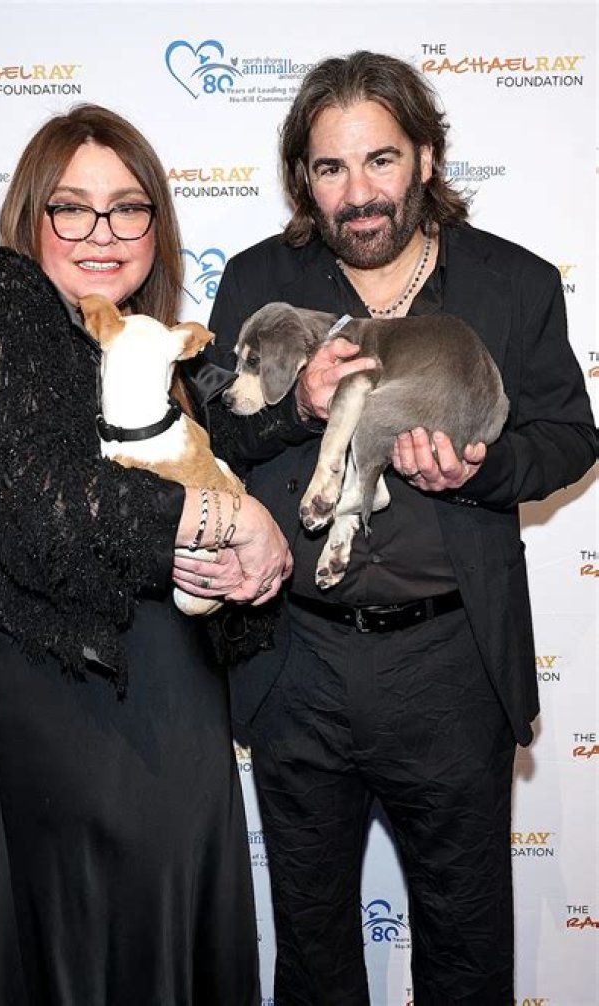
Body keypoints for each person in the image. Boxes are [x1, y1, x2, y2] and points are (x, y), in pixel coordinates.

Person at [197, 51, 597, 1005]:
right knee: (313, 957)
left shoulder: (513, 282)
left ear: (425, 157)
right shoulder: (260, 278)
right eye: (331, 169)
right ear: (304, 179)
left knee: (467, 957)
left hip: (451, 669)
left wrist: (482, 470)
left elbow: (569, 437)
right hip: (299, 666)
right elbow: (213, 423)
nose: (359, 193)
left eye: (380, 160)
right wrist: (298, 408)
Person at [0, 103, 293, 1006]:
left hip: (176, 711)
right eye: (73, 208)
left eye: (128, 208)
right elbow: (37, 504)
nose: (103, 233)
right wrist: (230, 520)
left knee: (177, 948)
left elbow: (189, 548)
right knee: (84, 956)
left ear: (158, 222)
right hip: (66, 705)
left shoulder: (155, 356)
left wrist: (241, 572)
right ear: (31, 214)